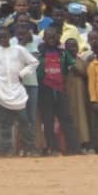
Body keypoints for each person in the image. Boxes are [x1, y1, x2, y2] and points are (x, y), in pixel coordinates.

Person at [0, 27, 37, 157]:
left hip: (17, 89)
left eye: (4, 36)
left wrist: (23, 73)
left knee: (24, 120)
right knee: (4, 122)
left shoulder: (19, 50)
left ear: (9, 36)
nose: (2, 39)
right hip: (0, 89)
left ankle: (30, 147)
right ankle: (5, 149)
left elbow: (34, 62)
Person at [36, 25, 79, 155]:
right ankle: (52, 148)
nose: (51, 39)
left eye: (54, 36)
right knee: (48, 120)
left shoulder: (63, 53)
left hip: (60, 89)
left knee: (66, 119)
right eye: (49, 37)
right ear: (44, 38)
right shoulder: (40, 54)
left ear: (58, 38)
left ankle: (73, 148)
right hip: (45, 90)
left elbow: (71, 66)